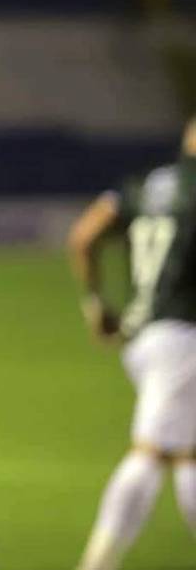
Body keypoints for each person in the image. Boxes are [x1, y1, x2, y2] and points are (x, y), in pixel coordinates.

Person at [69, 116, 196, 570]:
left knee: (186, 453)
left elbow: (85, 235)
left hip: (143, 336)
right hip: (185, 336)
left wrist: (95, 305)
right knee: (152, 451)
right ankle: (97, 563)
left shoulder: (145, 184)